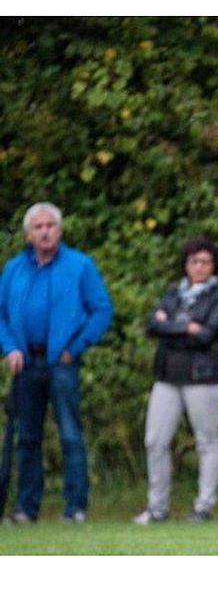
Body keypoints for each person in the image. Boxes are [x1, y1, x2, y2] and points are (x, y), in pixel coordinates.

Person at [0, 202, 113, 523]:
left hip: (62, 362)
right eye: (38, 227)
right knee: (27, 438)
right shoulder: (14, 270)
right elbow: (1, 314)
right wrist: (10, 347)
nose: (45, 231)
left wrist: (75, 347)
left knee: (70, 434)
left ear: (60, 230)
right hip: (26, 362)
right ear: (28, 234)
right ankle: (26, 508)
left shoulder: (79, 265)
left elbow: (101, 309)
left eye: (50, 225)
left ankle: (75, 508)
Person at [133, 238, 218, 525]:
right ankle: (157, 507)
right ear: (185, 264)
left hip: (203, 378)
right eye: (193, 261)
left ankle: (204, 506)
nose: (198, 267)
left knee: (206, 441)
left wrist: (171, 325)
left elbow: (206, 335)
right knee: (155, 441)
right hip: (167, 376)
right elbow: (153, 325)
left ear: (213, 266)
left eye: (205, 262)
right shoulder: (173, 293)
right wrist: (185, 326)